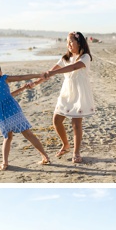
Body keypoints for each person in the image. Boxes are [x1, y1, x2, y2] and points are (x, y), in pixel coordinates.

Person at [0, 61, 51, 171]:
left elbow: (7, 95)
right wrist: (38, 75)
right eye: (0, 69)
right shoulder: (2, 79)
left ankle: (5, 163)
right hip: (9, 109)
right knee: (24, 134)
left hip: (2, 112)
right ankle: (44, 156)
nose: (1, 71)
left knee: (9, 137)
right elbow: (20, 77)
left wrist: (23, 88)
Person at [42, 31, 95, 164]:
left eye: (71, 42)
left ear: (79, 42)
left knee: (76, 124)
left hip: (79, 93)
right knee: (57, 120)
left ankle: (76, 152)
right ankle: (65, 145)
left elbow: (73, 67)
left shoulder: (85, 57)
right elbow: (51, 71)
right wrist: (37, 81)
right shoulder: (66, 57)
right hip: (66, 92)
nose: (69, 45)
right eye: (67, 42)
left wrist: (53, 72)